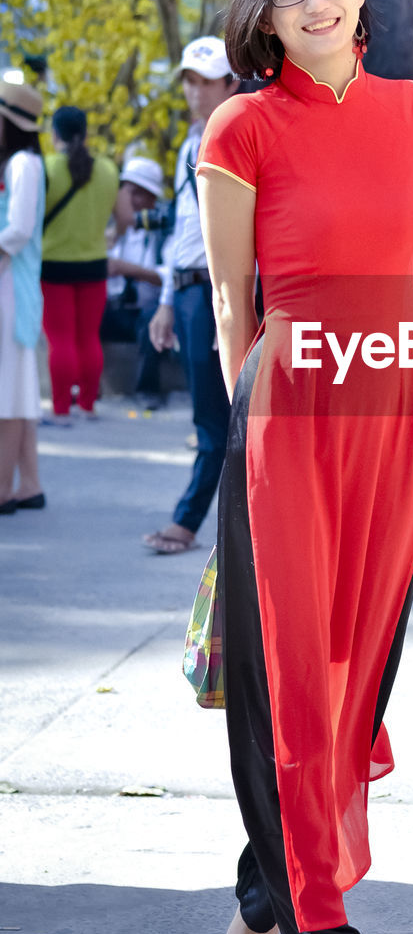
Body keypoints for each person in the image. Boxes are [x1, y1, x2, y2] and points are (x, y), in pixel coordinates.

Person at [195, 0, 413, 934]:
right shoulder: (240, 127)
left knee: (359, 658)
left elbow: (399, 266)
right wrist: (252, 447)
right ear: (262, 13)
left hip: (394, 402)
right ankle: (311, 901)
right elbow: (226, 299)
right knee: (296, 661)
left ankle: (261, 880)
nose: (315, 0)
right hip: (288, 412)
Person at [144, 38, 240, 555]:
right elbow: (183, 228)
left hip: (219, 290)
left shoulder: (241, 137)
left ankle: (190, 520)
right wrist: (164, 299)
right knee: (209, 410)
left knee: (217, 413)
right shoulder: (190, 143)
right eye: (190, 81)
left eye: (206, 81)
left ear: (231, 84)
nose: (195, 92)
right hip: (186, 291)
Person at [41, 106, 119, 423]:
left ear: (55, 133)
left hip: (54, 264)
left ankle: (61, 409)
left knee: (60, 339)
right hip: (94, 263)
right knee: (89, 337)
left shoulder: (47, 168)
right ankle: (87, 405)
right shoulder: (108, 170)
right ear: (86, 133)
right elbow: (120, 218)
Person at [0, 78, 46, 512]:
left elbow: (17, 230)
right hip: (15, 285)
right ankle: (27, 484)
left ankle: (4, 488)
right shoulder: (22, 162)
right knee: (17, 389)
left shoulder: (22, 165)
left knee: (9, 393)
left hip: (12, 287)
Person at [102, 157, 169, 408]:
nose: (133, 201)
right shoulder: (109, 228)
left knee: (150, 322)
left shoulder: (163, 231)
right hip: (116, 308)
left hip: (149, 309)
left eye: (141, 194)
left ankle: (147, 391)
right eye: (129, 193)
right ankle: (87, 388)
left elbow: (170, 277)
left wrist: (129, 270)